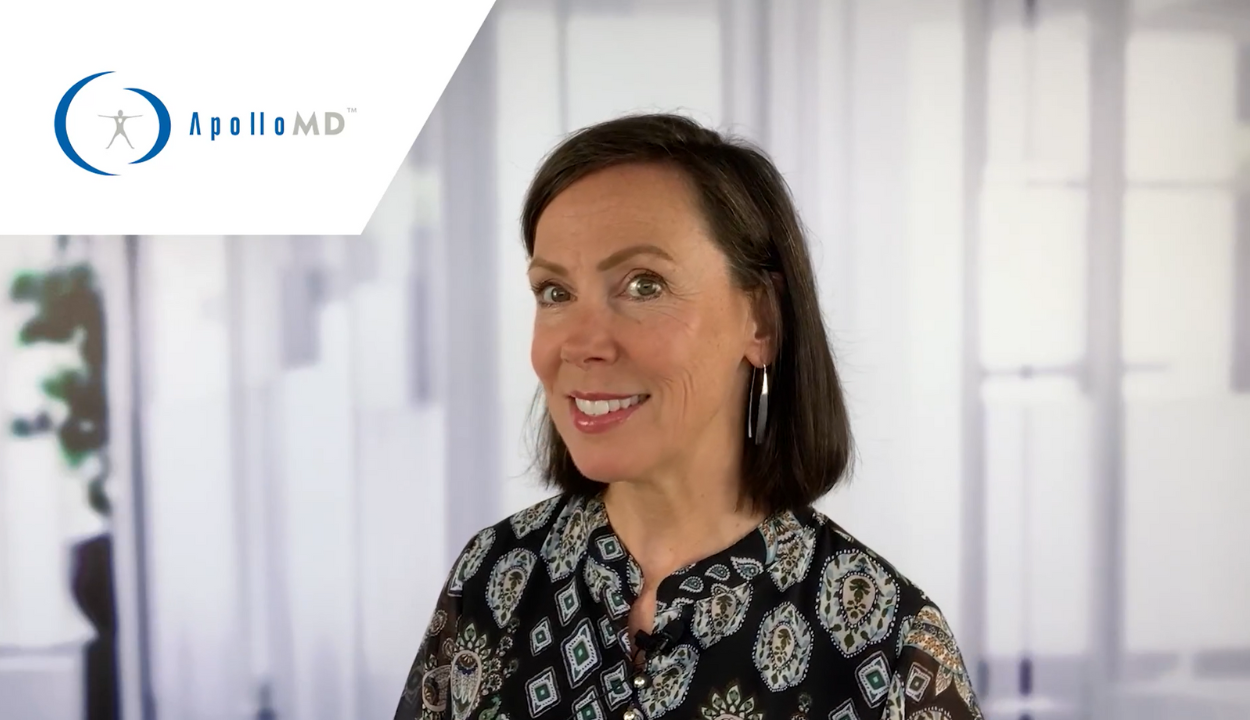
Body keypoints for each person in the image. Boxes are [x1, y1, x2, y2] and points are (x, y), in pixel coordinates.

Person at [394, 113, 982, 720]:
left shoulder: (889, 648)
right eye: (555, 292)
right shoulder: (493, 579)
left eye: (644, 285)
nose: (581, 343)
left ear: (762, 322)